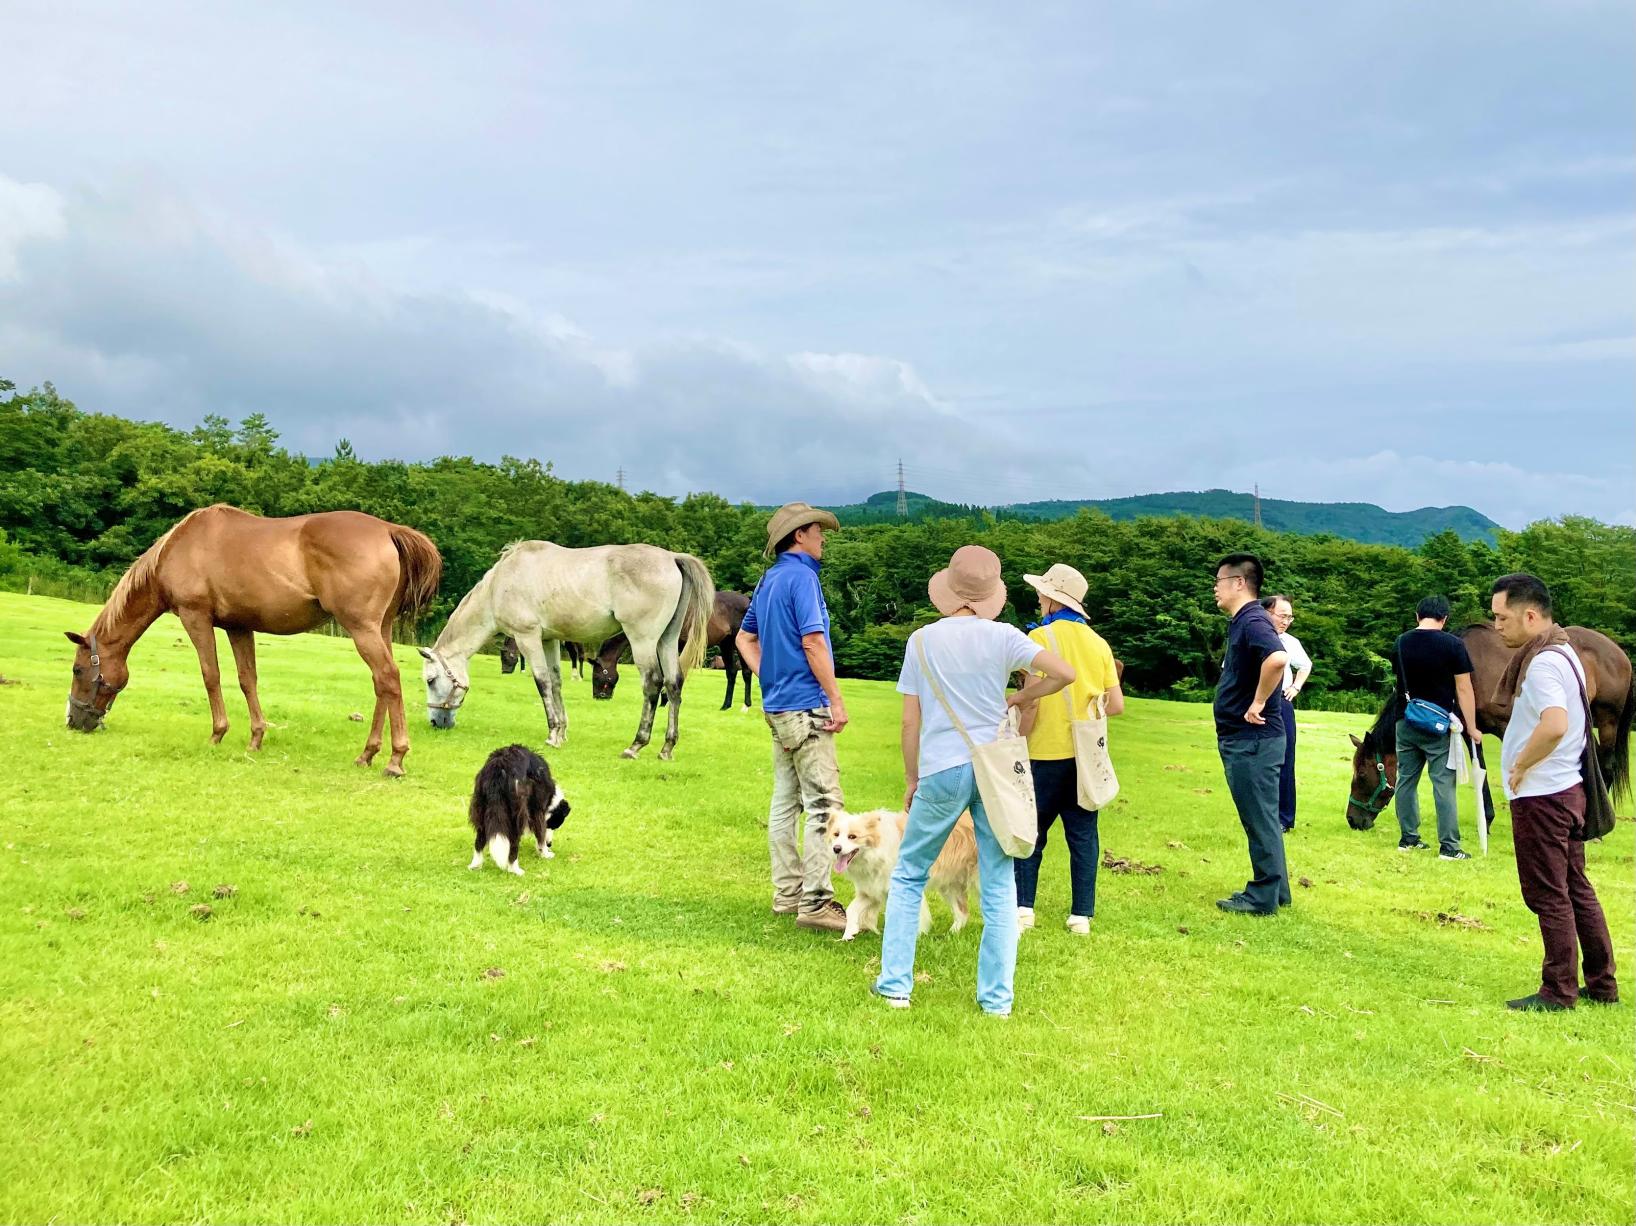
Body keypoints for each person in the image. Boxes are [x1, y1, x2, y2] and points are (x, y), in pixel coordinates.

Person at [874, 545, 1074, 1015]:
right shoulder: (1004, 637)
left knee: (908, 875)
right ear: (990, 595)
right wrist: (1024, 696)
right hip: (995, 770)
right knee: (1001, 882)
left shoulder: (922, 640)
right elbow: (1064, 673)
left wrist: (910, 776)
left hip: (942, 767)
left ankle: (896, 987)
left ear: (948, 590)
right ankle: (996, 1001)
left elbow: (909, 722)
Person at [1490, 573, 1617, 1011]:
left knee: (1549, 894)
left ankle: (1558, 991)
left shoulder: (1542, 662)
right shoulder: (1564, 651)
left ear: (1529, 615)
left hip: (1544, 795)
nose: (1496, 626)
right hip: (1567, 789)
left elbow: (1556, 723)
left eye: (1501, 617)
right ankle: (1602, 984)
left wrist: (1520, 764)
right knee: (1576, 887)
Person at [736, 501, 848, 933]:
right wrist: (835, 698)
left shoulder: (769, 579)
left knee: (785, 802)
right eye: (818, 531)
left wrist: (771, 677)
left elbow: (746, 637)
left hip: (778, 707)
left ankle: (787, 894)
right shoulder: (802, 577)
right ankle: (817, 902)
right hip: (806, 705)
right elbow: (814, 642)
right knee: (824, 805)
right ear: (799, 535)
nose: (823, 538)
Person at [1013, 563, 1123, 936]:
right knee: (1083, 835)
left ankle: (1024, 909)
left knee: (1033, 831)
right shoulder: (1099, 643)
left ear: (1050, 599)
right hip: (1086, 756)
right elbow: (1117, 704)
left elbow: (1032, 700)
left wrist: (1016, 713)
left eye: (1041, 594)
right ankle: (1081, 916)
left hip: (1044, 751)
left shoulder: (1040, 639)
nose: (1039, 599)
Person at [1212, 553, 1290, 915]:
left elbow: (1276, 659)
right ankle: (1278, 891)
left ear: (1238, 583)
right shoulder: (1246, 621)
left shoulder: (1253, 619)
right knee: (1263, 815)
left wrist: (1258, 701)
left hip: (1252, 740)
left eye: (1219, 581)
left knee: (1258, 817)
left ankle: (1262, 896)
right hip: (1251, 739)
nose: (1215, 589)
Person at [1392, 596, 1481, 860]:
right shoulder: (1453, 645)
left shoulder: (1400, 642)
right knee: (1443, 783)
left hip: (1405, 719)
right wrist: (1472, 727)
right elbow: (1464, 688)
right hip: (1439, 724)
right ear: (1445, 618)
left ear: (1417, 615)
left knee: (1406, 780)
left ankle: (1408, 839)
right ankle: (1449, 847)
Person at [1260, 594, 1311, 833]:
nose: (1287, 621)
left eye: (1290, 617)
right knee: (1255, 759)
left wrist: (1295, 687)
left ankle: (1284, 818)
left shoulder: (1290, 642)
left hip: (1280, 703)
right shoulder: (1251, 636)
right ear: (1267, 612)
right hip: (1253, 702)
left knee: (1285, 759)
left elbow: (1306, 665)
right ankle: (1259, 814)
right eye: (1283, 616)